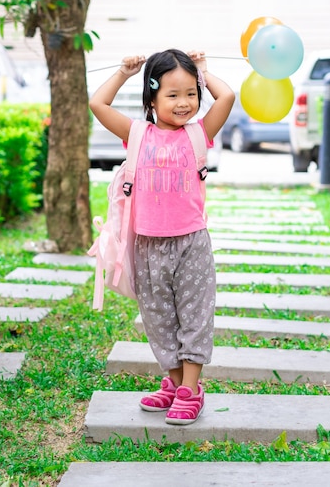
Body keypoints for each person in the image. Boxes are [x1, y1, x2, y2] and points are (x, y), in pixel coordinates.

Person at [89, 49, 235, 425]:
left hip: (191, 244)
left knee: (194, 315)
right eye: (172, 95)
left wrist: (203, 72)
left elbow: (228, 96)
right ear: (151, 98)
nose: (184, 103)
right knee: (157, 318)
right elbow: (97, 103)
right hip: (147, 245)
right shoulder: (137, 134)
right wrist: (124, 71)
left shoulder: (200, 134)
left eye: (191, 93)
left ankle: (191, 388)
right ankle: (173, 382)